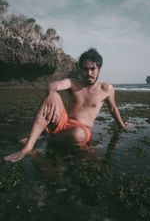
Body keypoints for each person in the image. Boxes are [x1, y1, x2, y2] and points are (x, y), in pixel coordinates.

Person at [4, 48, 132, 162]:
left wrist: (122, 125)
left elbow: (113, 108)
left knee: (79, 134)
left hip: (81, 130)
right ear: (80, 70)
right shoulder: (73, 82)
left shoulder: (106, 89)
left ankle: (46, 138)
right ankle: (28, 147)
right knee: (52, 97)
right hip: (62, 122)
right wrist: (52, 92)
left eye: (93, 69)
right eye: (85, 69)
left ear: (99, 69)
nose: (89, 73)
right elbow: (52, 85)